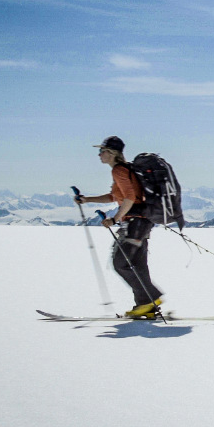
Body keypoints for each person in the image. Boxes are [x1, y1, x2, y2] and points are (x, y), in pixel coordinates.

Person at [75, 136, 164, 319]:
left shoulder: (119, 170)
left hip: (135, 223)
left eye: (102, 151)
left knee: (120, 263)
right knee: (138, 265)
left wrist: (114, 219)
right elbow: (114, 197)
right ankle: (146, 307)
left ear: (112, 153)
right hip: (141, 222)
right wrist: (87, 200)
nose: (99, 154)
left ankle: (151, 298)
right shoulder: (125, 170)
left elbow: (130, 198)